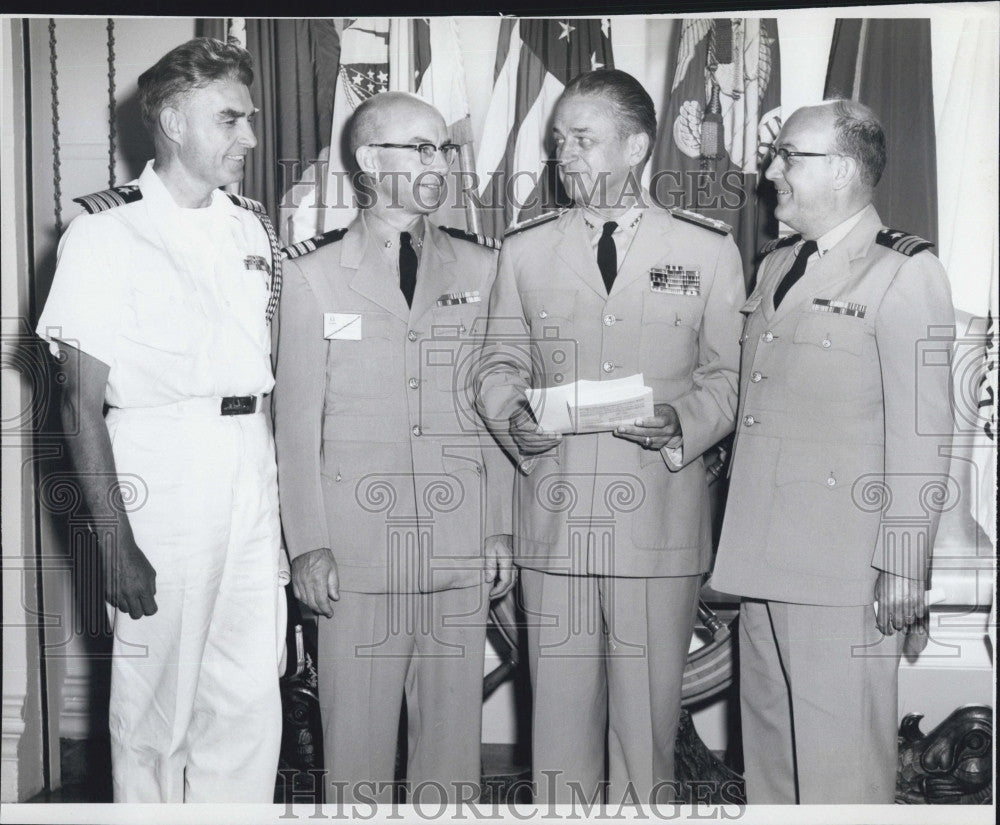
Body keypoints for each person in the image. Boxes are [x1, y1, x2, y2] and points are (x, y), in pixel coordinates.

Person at [475, 69, 745, 804]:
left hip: (658, 523)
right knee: (557, 736)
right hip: (555, 522)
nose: (565, 156)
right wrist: (514, 418)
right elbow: (497, 363)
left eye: (583, 141)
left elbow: (729, 375)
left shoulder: (707, 249)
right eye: (559, 141)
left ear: (635, 146)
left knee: (645, 734)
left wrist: (682, 422)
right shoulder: (525, 249)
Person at [35, 38, 285, 802]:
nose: (249, 137)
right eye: (230, 119)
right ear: (174, 120)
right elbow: (78, 403)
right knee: (154, 712)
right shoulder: (103, 234)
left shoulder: (249, 227)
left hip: (248, 461)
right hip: (162, 466)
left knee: (247, 697)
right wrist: (113, 540)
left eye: (249, 120)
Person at [273, 91, 514, 804]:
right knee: (356, 759)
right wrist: (307, 543)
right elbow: (294, 423)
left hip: (457, 542)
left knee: (451, 760)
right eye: (420, 147)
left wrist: (499, 521)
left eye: (445, 148)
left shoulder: (482, 269)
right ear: (370, 160)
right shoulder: (312, 275)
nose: (439, 162)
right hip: (356, 554)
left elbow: (491, 405)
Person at [711, 100, 955, 804]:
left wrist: (903, 566)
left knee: (840, 771)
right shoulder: (779, 264)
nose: (772, 170)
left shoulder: (904, 272)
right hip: (760, 560)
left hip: (844, 571)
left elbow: (924, 431)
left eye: (791, 156)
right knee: (773, 765)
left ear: (844, 169)